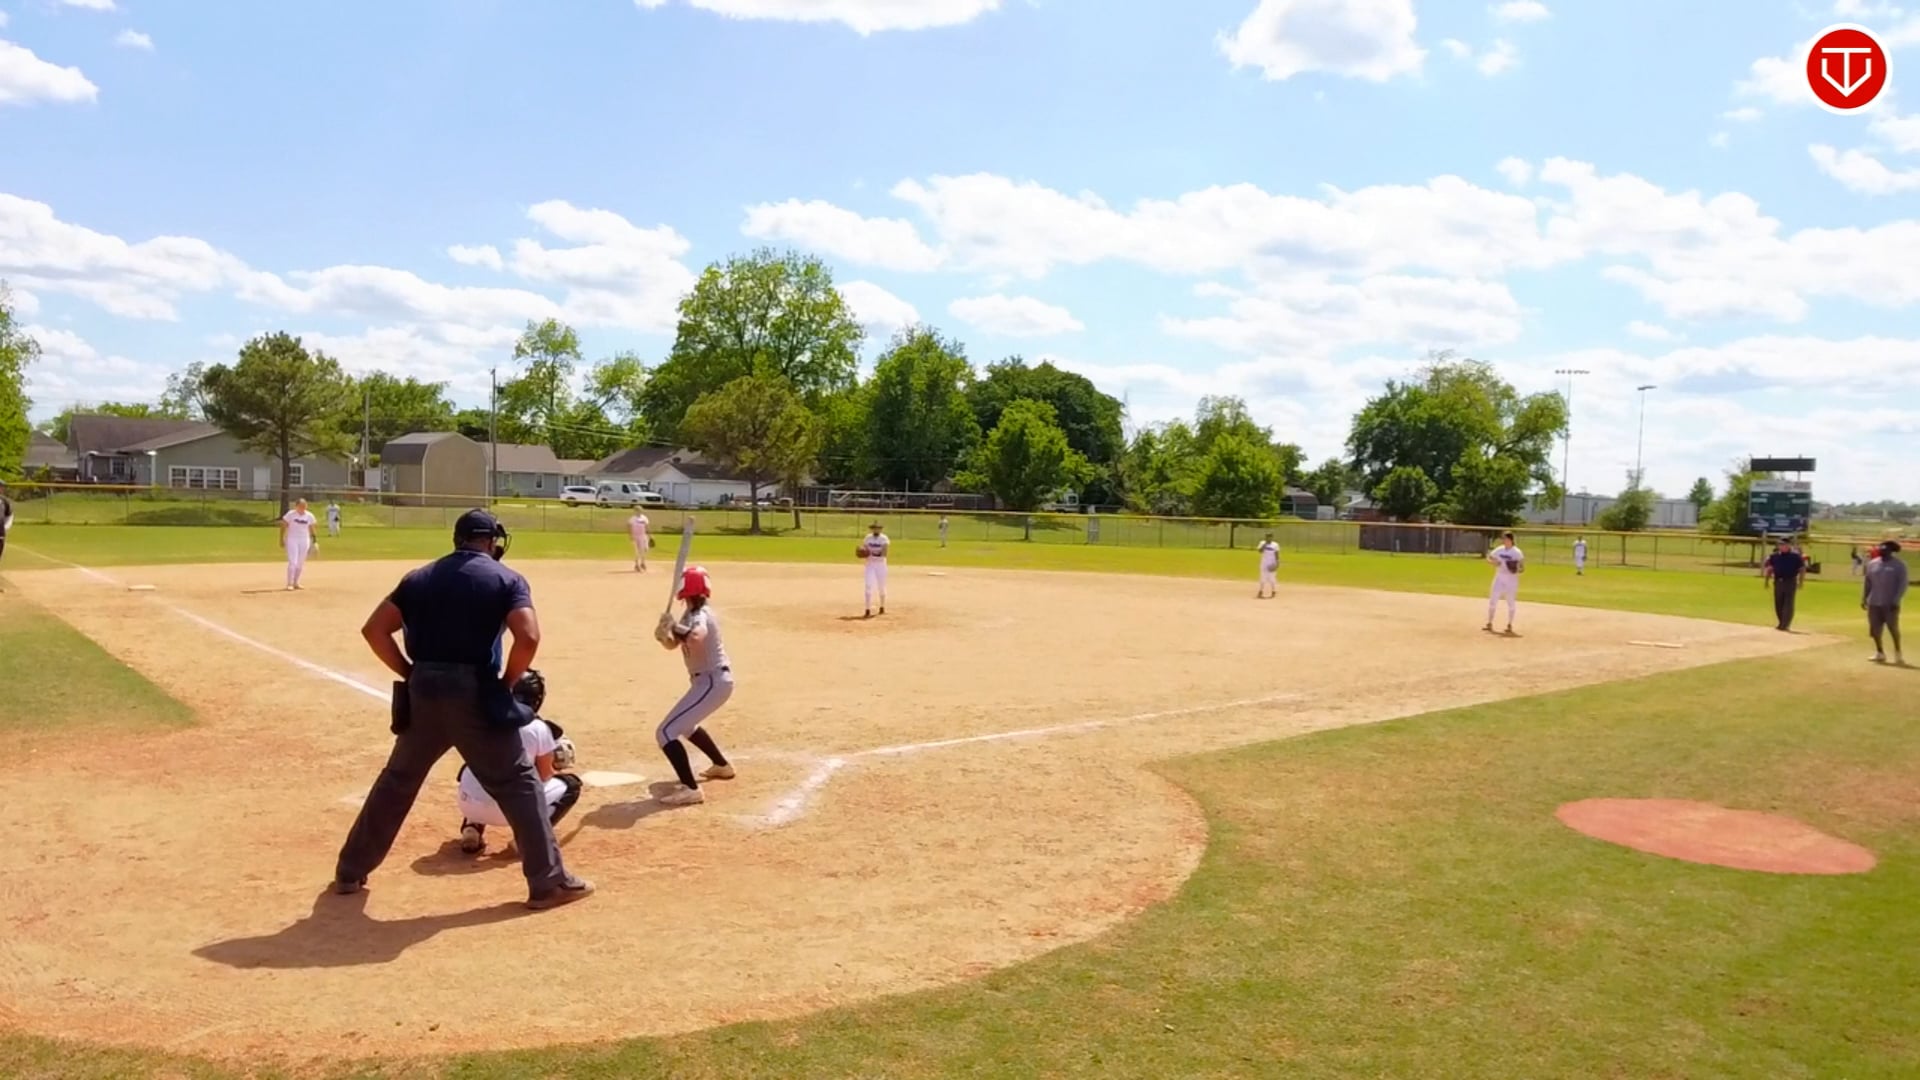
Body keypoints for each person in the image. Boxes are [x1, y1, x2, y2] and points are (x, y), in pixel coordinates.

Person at [332, 508, 592, 910]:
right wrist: (507, 683)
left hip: (424, 691)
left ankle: (350, 870)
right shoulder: (506, 579)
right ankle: (548, 882)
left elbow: (374, 630)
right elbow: (528, 636)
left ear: (457, 539)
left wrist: (411, 673)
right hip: (475, 693)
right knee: (519, 783)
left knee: (397, 781)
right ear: (490, 541)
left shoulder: (418, 578)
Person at [457, 669, 583, 853]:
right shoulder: (538, 727)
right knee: (571, 785)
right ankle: (527, 840)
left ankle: (472, 827)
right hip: (511, 809)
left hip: (468, 803)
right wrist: (552, 763)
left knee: (475, 767)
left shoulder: (479, 719)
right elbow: (545, 775)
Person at [650, 565, 735, 806]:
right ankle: (721, 765)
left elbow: (696, 637)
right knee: (686, 726)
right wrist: (663, 636)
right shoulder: (690, 614)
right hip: (707, 681)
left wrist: (673, 626)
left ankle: (691, 789)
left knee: (665, 732)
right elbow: (674, 644)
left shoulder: (700, 615)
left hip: (712, 681)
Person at [1863, 540, 1907, 666]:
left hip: (1890, 604)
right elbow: (1868, 582)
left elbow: (1902, 585)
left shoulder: (1899, 565)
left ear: (1891, 551)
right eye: (1880, 549)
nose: (1881, 551)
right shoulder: (1872, 564)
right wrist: (1864, 597)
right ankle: (1880, 652)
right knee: (1875, 630)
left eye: (1885, 549)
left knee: (1893, 628)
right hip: (1874, 602)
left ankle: (1898, 653)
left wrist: (1896, 599)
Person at [1761, 536, 1807, 631]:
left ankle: (1785, 624)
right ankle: (1781, 622)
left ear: (1789, 545)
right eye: (1780, 544)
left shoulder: (1795, 556)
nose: (1782, 546)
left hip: (1790, 581)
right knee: (1779, 603)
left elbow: (1802, 569)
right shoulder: (1774, 556)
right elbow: (1770, 569)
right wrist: (1766, 581)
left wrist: (1801, 582)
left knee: (1788, 603)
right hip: (1778, 581)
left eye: (1784, 544)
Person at [1484, 531, 1524, 635]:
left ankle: (1510, 624)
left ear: (1510, 540)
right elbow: (1489, 557)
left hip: (1511, 580)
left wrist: (1516, 568)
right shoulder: (1499, 549)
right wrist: (1493, 562)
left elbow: (1522, 568)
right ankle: (1489, 623)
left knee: (1510, 602)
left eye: (1505, 538)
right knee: (1493, 600)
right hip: (1499, 578)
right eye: (1503, 538)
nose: (1503, 540)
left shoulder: (1516, 552)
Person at [279, 498, 318, 590]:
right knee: (293, 562)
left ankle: (296, 582)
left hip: (304, 540)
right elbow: (283, 525)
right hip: (292, 539)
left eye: (305, 506)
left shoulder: (309, 515)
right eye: (301, 506)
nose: (303, 508)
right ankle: (289, 583)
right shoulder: (291, 514)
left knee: (300, 563)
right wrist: (281, 539)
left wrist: (315, 541)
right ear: (296, 506)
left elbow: (312, 528)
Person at [858, 521, 890, 618]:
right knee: (868, 586)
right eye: (874, 528)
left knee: (881, 587)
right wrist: (862, 552)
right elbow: (864, 549)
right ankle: (867, 609)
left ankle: (882, 606)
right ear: (872, 529)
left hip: (881, 565)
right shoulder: (867, 538)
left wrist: (871, 554)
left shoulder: (884, 539)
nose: (876, 530)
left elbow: (884, 554)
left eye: (878, 528)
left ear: (881, 529)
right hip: (870, 565)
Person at [1256, 532, 1280, 599]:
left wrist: (1277, 563)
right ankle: (1260, 591)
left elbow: (1277, 554)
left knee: (1272, 578)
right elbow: (1260, 551)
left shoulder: (1275, 545)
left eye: (1270, 536)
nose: (1268, 538)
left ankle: (1273, 591)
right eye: (1267, 536)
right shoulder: (1262, 543)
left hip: (1272, 563)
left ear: (1272, 537)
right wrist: (1265, 544)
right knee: (1262, 578)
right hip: (1264, 563)